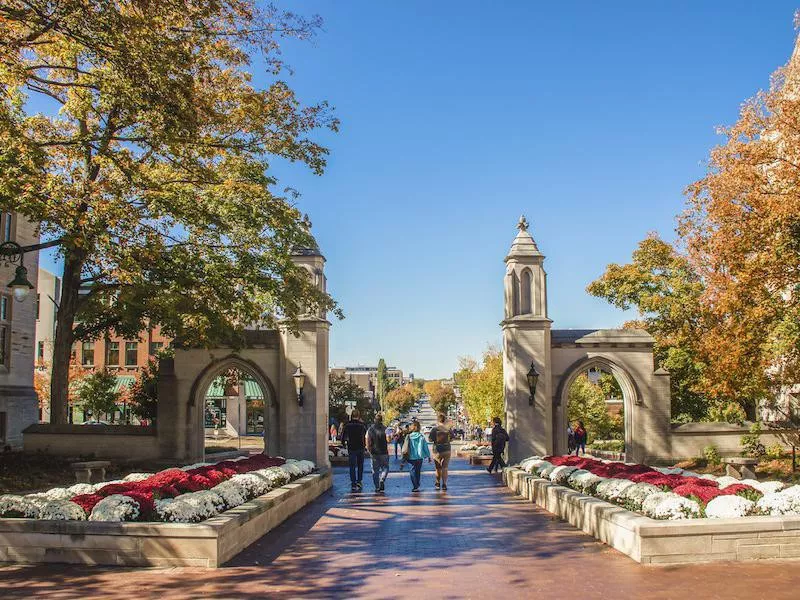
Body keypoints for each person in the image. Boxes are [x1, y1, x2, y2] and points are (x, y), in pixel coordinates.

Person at [341, 410, 368, 492]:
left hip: (351, 447)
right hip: (360, 447)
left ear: (351, 415)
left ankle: (353, 482)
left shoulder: (347, 425)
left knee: (352, 466)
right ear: (358, 416)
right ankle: (359, 481)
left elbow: (343, 436)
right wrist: (365, 446)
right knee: (360, 465)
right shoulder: (362, 425)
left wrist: (343, 444)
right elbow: (366, 435)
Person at [402, 421, 431, 492]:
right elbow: (425, 447)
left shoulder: (408, 436)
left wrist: (403, 457)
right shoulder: (421, 436)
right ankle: (417, 483)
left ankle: (415, 485)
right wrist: (428, 456)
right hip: (419, 457)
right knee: (418, 471)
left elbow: (405, 446)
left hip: (410, 457)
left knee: (412, 471)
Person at [428, 413, 453, 491]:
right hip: (447, 450)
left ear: (437, 420)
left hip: (437, 451)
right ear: (444, 420)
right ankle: (444, 484)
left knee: (438, 468)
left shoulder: (434, 429)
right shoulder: (448, 429)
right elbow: (452, 439)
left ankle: (438, 483)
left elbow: (430, 439)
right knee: (445, 468)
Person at [367, 413, 390, 493]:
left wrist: (369, 449)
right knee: (385, 467)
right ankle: (382, 479)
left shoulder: (370, 429)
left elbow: (367, 440)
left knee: (375, 470)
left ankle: (377, 487)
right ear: (381, 420)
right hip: (384, 451)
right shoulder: (385, 428)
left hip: (374, 452)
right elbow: (388, 440)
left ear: (374, 420)